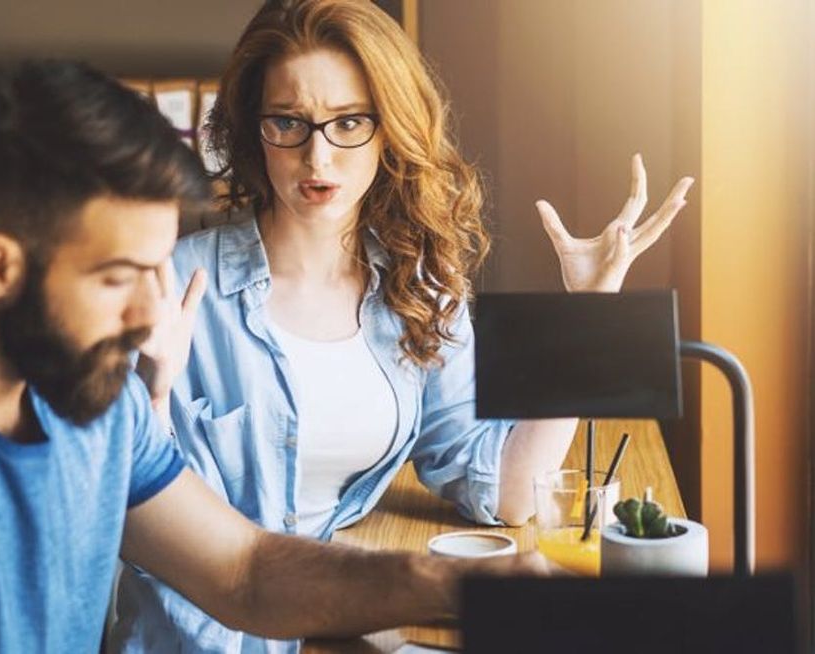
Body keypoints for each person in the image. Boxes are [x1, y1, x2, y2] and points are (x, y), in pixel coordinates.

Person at [0, 60, 558, 654]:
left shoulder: (84, 385)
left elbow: (241, 571)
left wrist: (442, 584)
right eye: (120, 277)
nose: (154, 315)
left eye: (162, 269)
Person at [112, 0, 695, 652]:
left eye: (349, 122)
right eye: (289, 122)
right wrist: (152, 394)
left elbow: (503, 493)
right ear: (254, 129)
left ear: (390, 129)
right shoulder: (169, 284)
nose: (318, 155)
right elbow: (138, 499)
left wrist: (587, 314)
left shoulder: (419, 291)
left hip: (332, 625)